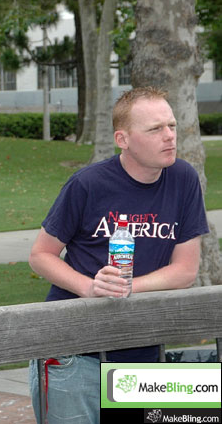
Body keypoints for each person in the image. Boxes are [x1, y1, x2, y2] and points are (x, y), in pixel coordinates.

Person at [27, 86, 209, 424]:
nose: (169, 136)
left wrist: (124, 287)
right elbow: (40, 255)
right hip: (74, 355)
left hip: (143, 353)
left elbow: (185, 271)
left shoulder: (184, 179)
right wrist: (89, 288)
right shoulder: (87, 184)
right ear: (122, 139)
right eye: (155, 129)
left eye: (171, 126)